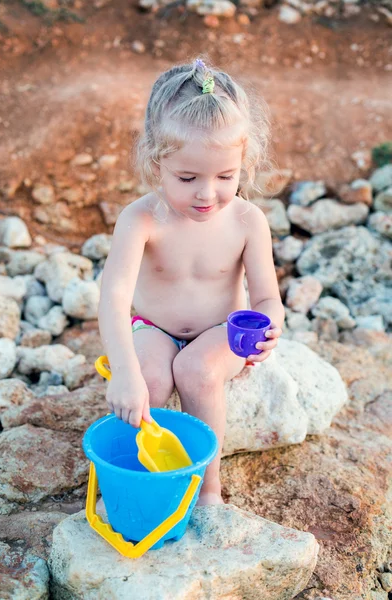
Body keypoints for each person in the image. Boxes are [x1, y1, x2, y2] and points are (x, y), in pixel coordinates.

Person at [98, 58, 284, 506]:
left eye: (226, 176)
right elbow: (113, 297)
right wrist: (123, 374)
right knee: (150, 378)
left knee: (196, 371)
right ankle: (141, 480)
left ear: (245, 162)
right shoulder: (141, 218)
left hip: (222, 333)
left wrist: (270, 326)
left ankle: (206, 490)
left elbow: (266, 297)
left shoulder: (246, 220)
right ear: (155, 161)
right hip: (154, 327)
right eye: (187, 178)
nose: (207, 193)